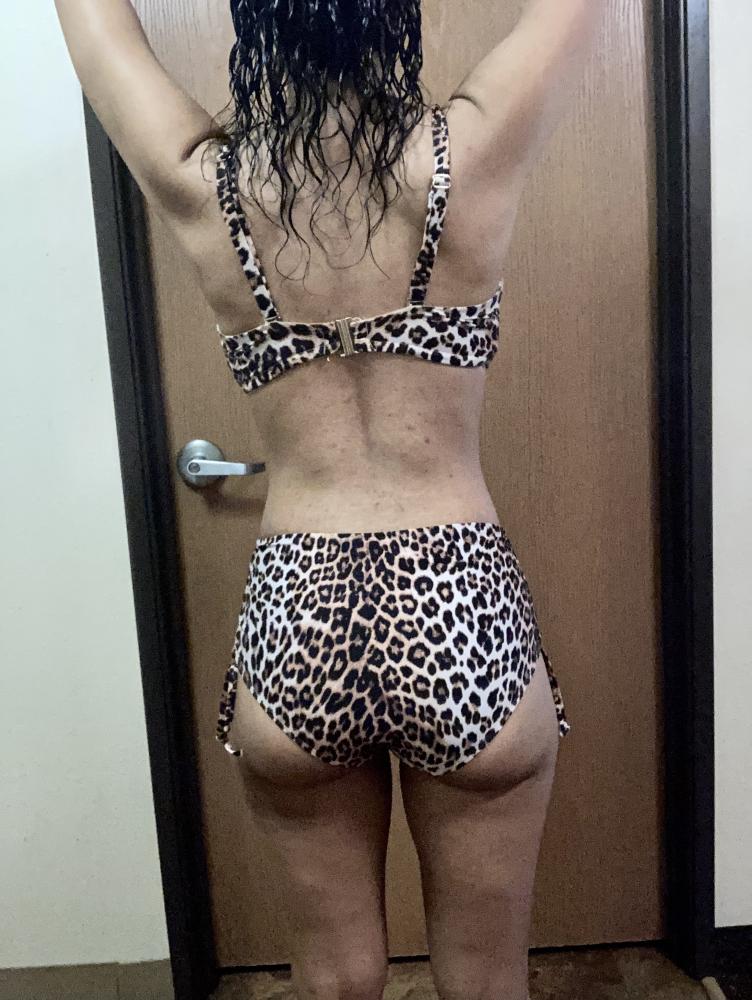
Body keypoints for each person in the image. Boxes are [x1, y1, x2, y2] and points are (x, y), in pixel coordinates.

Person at [56, 1, 604, 997]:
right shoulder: (465, 154)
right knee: (486, 979)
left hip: (298, 617)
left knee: (334, 976)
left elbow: (95, 26)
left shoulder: (206, 182)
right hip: (461, 607)